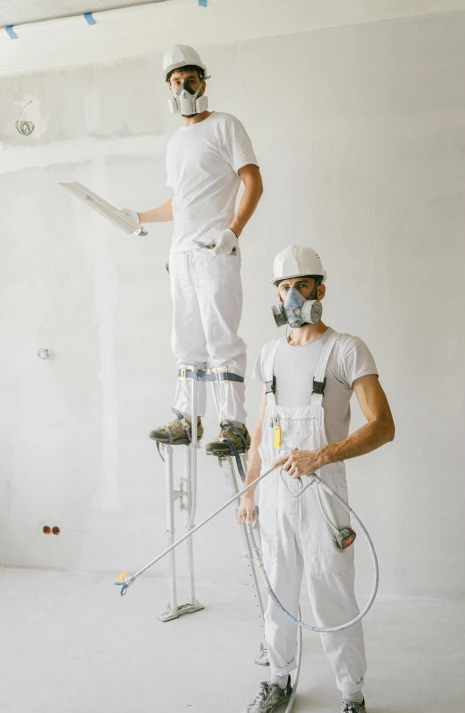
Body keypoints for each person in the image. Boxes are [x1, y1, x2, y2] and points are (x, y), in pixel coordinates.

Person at [236, 245, 395, 713]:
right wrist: (249, 485)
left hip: (324, 495)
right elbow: (262, 427)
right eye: (283, 287)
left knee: (332, 598)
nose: (291, 295)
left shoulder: (347, 350)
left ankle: (352, 696)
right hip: (276, 494)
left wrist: (322, 456)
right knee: (279, 594)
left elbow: (383, 427)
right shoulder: (269, 353)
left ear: (320, 290)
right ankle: (279, 680)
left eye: (301, 285)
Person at [123, 44, 263, 456]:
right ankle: (187, 419)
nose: (184, 88)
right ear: (169, 89)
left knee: (221, 339)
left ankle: (234, 426)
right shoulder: (175, 144)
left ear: (203, 82)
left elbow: (253, 181)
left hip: (214, 249)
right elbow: (182, 201)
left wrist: (233, 230)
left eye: (190, 80)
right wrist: (140, 217)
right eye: (176, 82)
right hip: (181, 255)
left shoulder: (225, 126)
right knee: (185, 341)